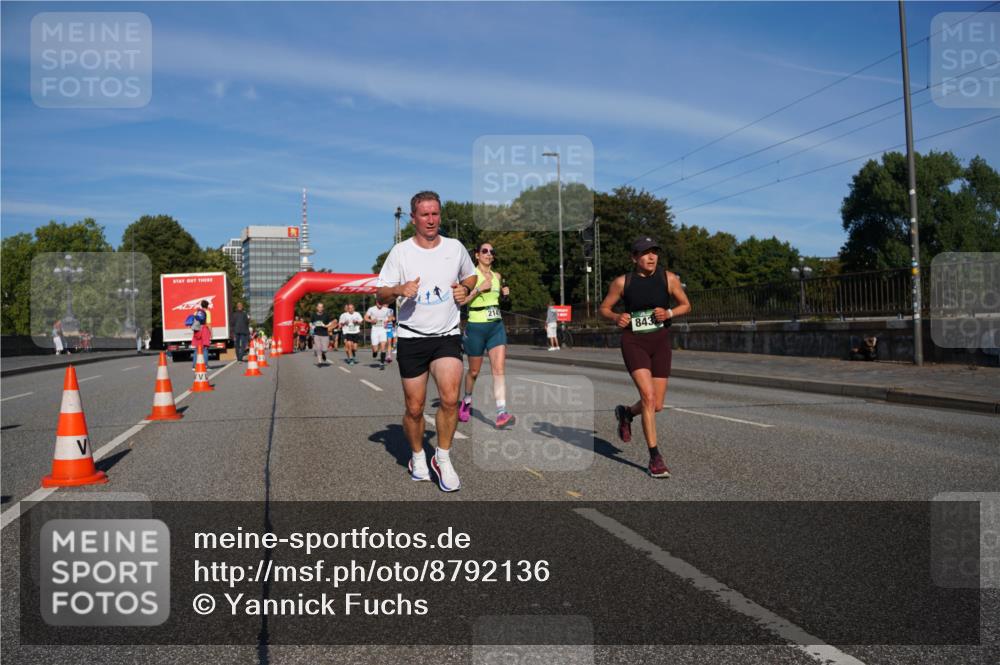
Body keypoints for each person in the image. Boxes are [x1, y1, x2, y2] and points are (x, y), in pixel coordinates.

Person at [376, 190, 477, 491]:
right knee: (415, 408)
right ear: (413, 218)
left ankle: (442, 458)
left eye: (435, 214)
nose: (431, 220)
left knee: (449, 398)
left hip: (446, 334)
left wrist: (464, 289)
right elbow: (379, 294)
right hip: (412, 337)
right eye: (425, 215)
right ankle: (418, 454)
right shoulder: (401, 252)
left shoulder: (455, 247)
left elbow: (470, 277)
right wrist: (398, 289)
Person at [598, 236, 690, 479]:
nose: (651, 257)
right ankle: (655, 458)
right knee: (647, 397)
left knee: (656, 405)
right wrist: (616, 317)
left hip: (660, 342)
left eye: (654, 252)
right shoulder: (622, 282)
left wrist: (669, 312)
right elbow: (604, 308)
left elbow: (685, 305)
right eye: (645, 253)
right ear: (634, 258)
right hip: (634, 342)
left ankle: (627, 413)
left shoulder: (668, 278)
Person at [458, 242, 515, 428]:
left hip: (496, 326)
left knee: (498, 371)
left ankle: (501, 413)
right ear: (476, 255)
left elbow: (497, 300)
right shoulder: (471, 276)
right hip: (476, 326)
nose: (489, 254)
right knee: (474, 372)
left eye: (492, 252)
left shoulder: (497, 276)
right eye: (484, 251)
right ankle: (466, 400)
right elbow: (462, 300)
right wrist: (478, 289)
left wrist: (505, 295)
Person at [365, 301, 394, 370]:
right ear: (376, 302)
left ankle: (382, 364)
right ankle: (374, 352)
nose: (380, 304)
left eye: (381, 302)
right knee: (375, 350)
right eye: (379, 302)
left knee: (383, 347)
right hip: (374, 330)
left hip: (383, 330)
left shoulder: (386, 310)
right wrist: (371, 321)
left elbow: (391, 318)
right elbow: (366, 317)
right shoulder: (371, 309)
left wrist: (387, 321)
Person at [191, 300, 211, 369]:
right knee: (205, 348)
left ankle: (194, 366)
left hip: (197, 331)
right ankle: (205, 365)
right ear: (207, 306)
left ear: (201, 305)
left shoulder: (196, 312)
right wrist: (211, 333)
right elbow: (208, 324)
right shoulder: (207, 312)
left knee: (197, 348)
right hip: (204, 330)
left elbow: (193, 322)